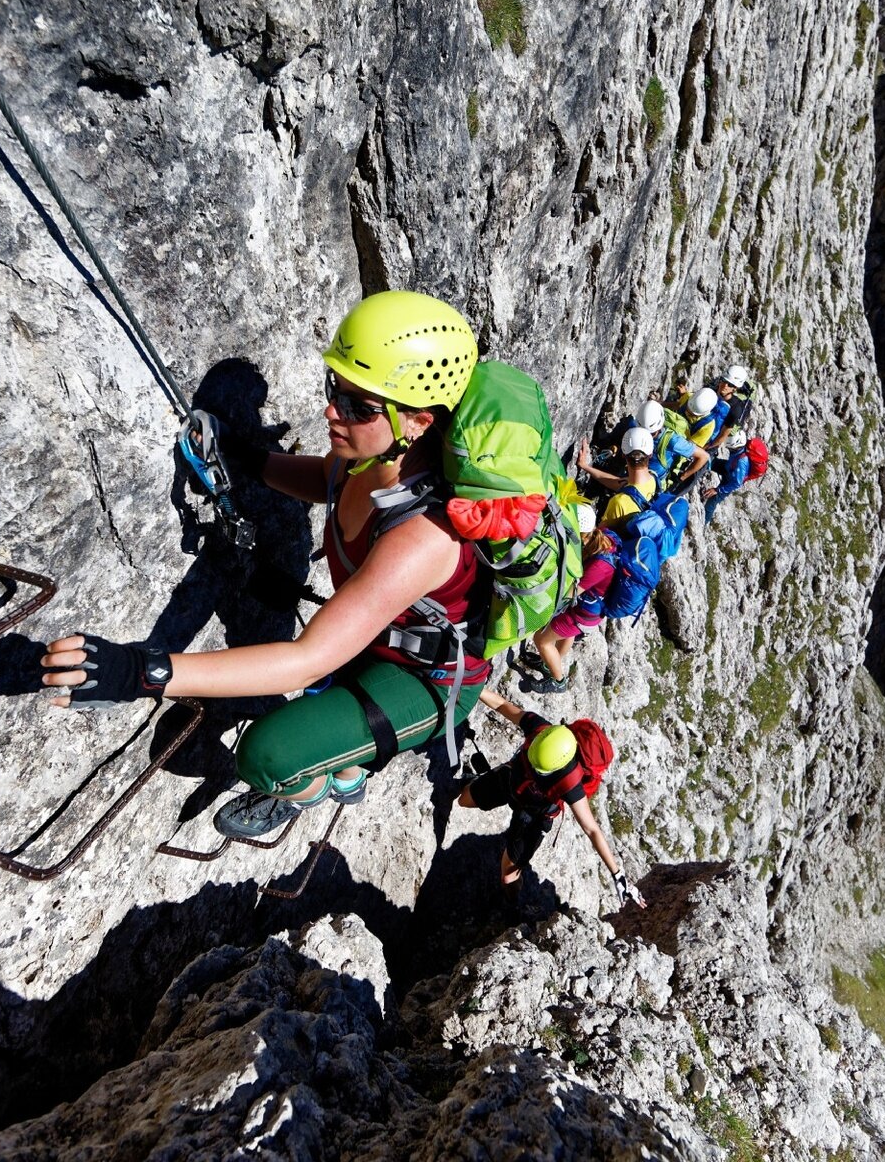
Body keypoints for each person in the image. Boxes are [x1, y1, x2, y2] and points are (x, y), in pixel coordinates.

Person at [39, 291, 491, 839]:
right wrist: (248, 456)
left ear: (418, 421)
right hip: (380, 638)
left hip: (428, 680)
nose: (331, 411)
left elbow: (304, 662)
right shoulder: (371, 457)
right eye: (335, 391)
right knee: (323, 704)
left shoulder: (424, 535)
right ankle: (344, 758)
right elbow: (321, 480)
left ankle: (326, 784)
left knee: (267, 754)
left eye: (356, 406)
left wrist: (141, 671)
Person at [460, 688, 645, 907]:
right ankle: (475, 781)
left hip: (533, 814)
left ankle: (513, 904)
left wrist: (618, 874)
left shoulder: (569, 782)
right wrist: (471, 683)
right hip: (512, 781)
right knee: (464, 800)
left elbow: (592, 829)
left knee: (509, 874)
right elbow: (502, 705)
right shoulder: (540, 729)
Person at [516, 505, 617, 694]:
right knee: (566, 634)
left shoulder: (600, 565)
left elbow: (571, 592)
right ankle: (549, 663)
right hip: (587, 610)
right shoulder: (602, 540)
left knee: (542, 640)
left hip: (584, 613)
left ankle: (558, 681)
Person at [577, 426, 659, 527]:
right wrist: (585, 466)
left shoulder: (619, 503)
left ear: (623, 455)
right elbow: (619, 483)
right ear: (650, 454)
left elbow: (598, 538)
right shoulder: (653, 479)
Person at [701, 428, 760, 521]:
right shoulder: (739, 449)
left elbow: (737, 483)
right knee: (710, 461)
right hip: (729, 468)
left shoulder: (742, 462)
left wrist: (718, 490)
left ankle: (704, 523)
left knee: (710, 505)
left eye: (730, 448)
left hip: (729, 482)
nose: (729, 449)